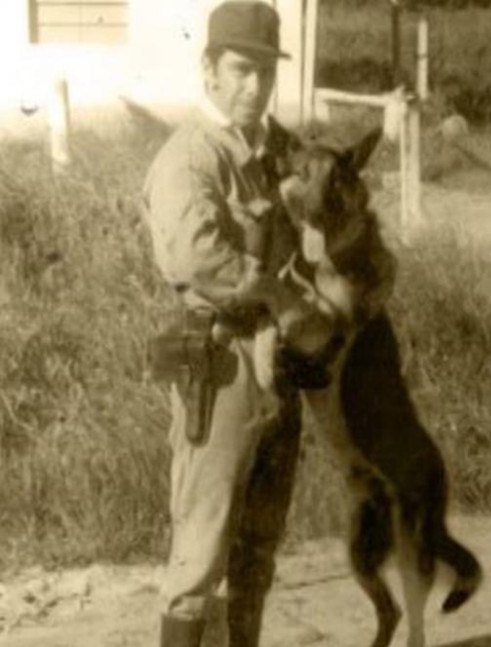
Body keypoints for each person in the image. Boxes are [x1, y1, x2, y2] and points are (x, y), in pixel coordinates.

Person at [141, 2, 336, 645]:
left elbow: (317, 230)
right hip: (222, 363)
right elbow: (196, 257)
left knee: (260, 542)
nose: (256, 86)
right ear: (210, 70)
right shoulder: (190, 157)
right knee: (202, 548)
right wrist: (283, 302)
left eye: (265, 73)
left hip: (277, 363)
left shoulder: (278, 150)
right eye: (241, 70)